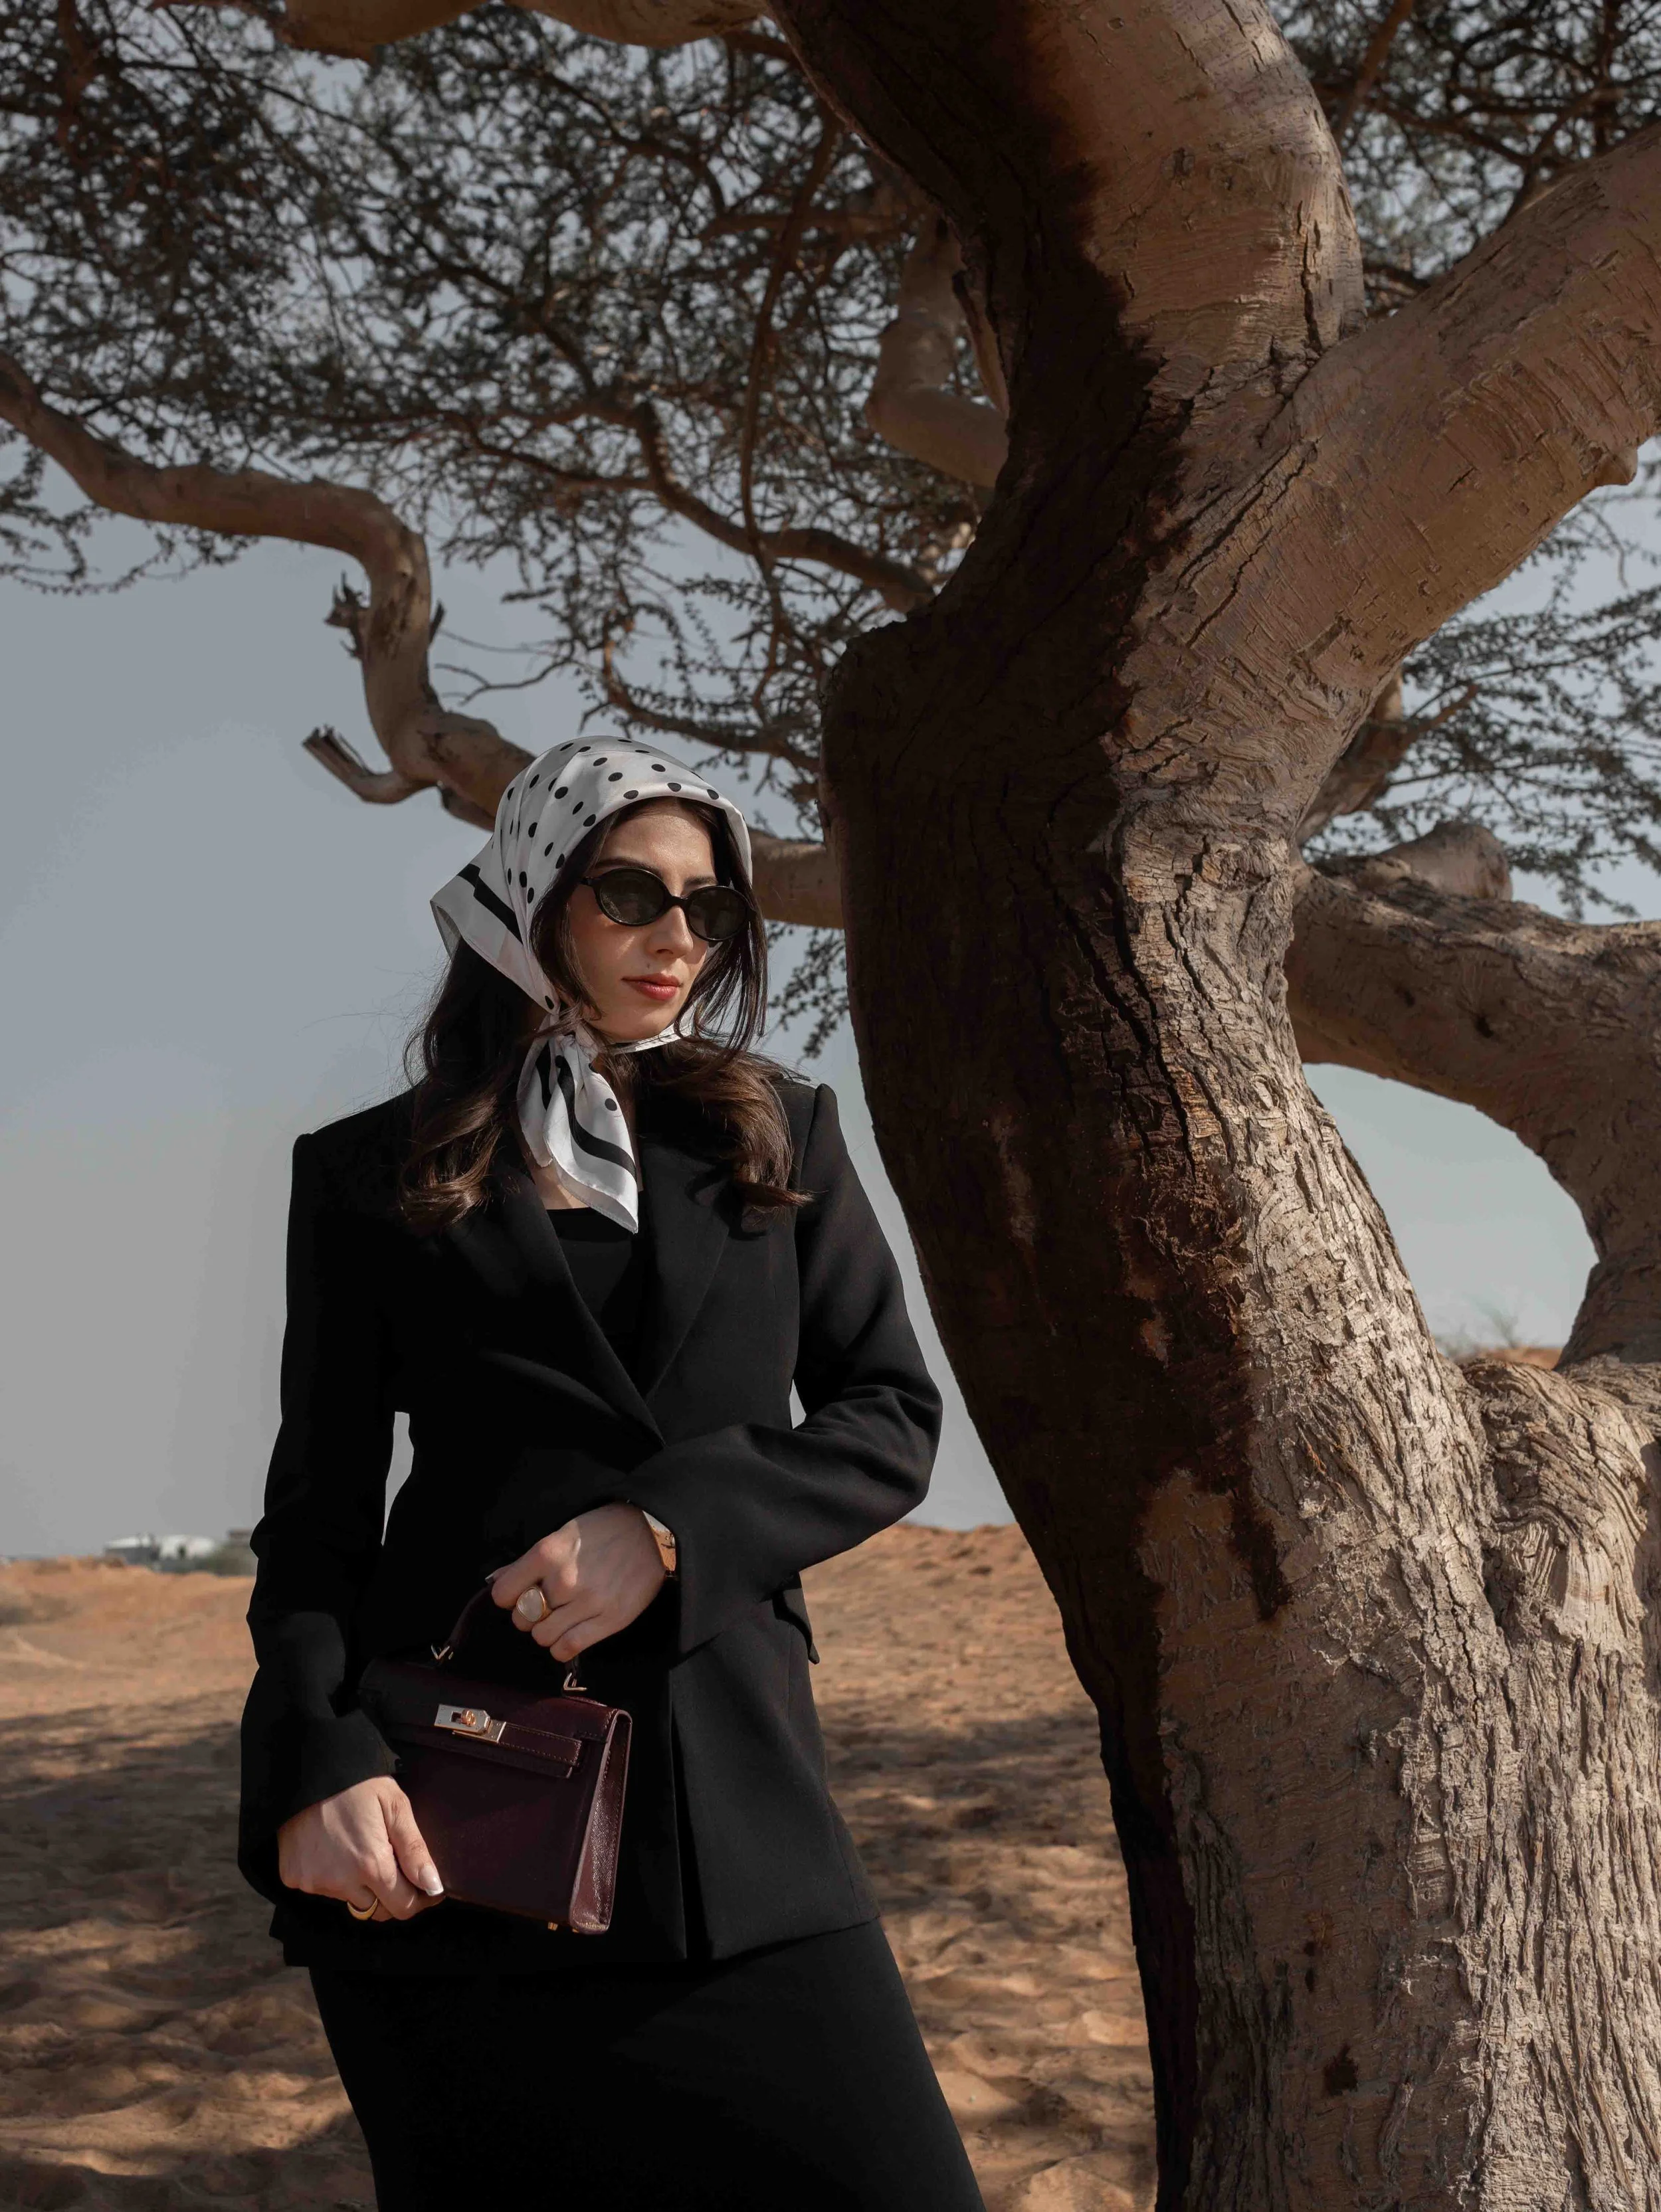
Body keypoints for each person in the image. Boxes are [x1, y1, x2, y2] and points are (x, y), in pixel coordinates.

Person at [236, 738, 986, 2211]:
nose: (677, 939)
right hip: (449, 1833)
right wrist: (315, 1761)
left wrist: (673, 1525)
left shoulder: (780, 1134)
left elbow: (886, 1416)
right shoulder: (362, 1172)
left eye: (709, 909)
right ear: (534, 895)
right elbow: (315, 1522)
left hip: (742, 1824)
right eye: (630, 891)